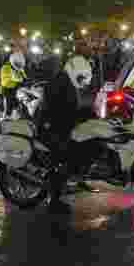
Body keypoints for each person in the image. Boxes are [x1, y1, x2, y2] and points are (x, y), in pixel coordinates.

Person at [36, 55, 95, 213]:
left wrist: (87, 113)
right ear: (74, 71)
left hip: (57, 125)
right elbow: (61, 111)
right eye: (81, 77)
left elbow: (69, 109)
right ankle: (54, 200)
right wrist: (83, 115)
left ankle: (77, 178)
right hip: (51, 129)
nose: (82, 82)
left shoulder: (66, 81)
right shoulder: (61, 84)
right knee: (65, 158)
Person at [0, 50, 27, 117]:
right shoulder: (5, 67)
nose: (18, 63)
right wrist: (20, 79)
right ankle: (5, 115)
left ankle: (19, 113)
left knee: (20, 99)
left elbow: (24, 76)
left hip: (15, 87)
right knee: (8, 101)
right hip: (6, 88)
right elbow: (12, 77)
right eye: (17, 62)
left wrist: (26, 79)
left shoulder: (18, 67)